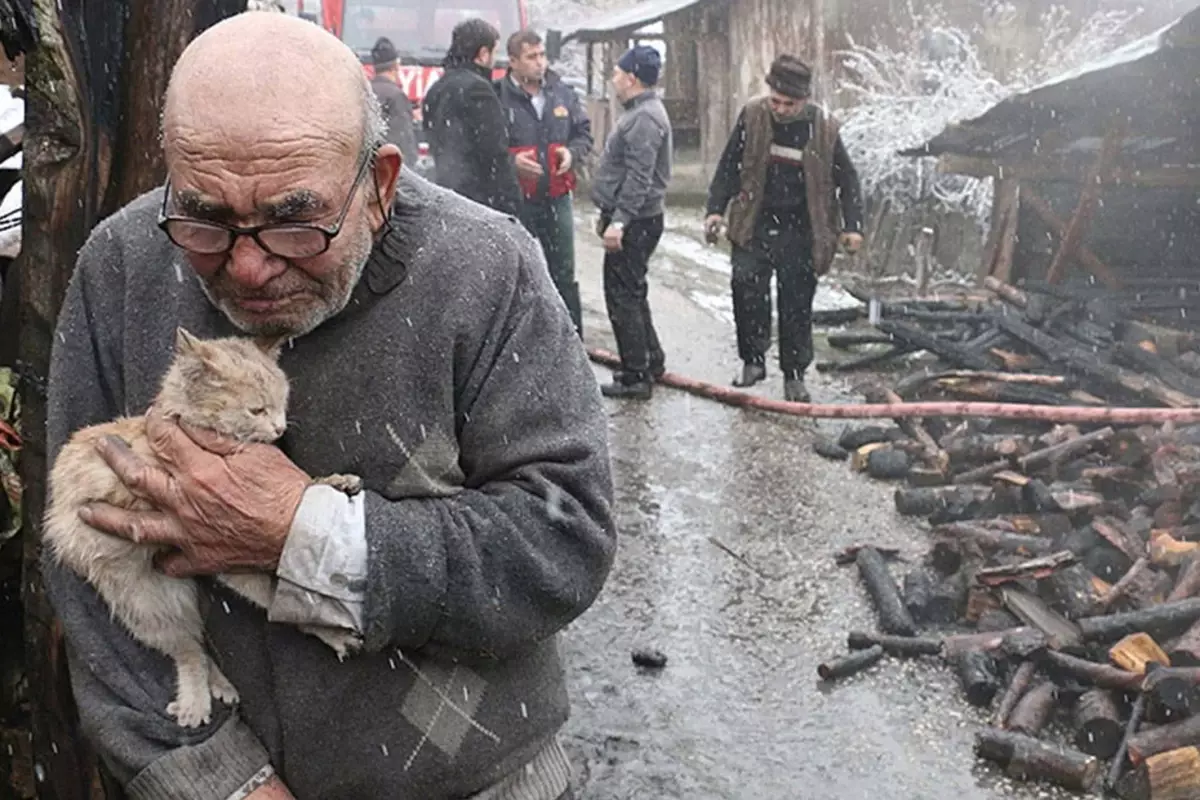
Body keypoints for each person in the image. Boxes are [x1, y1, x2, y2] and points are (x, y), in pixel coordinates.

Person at [42, 12, 614, 800]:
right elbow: (81, 565)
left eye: (292, 220)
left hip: (484, 781)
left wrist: (304, 535)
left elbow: (564, 541)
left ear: (378, 185)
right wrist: (218, 781)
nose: (246, 266)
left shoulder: (487, 269)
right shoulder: (123, 265)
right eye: (205, 217)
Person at [704, 54, 864, 402]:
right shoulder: (753, 116)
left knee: (796, 303)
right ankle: (753, 361)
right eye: (775, 100)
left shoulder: (824, 128)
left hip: (803, 230)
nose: (780, 109)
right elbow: (729, 165)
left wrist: (853, 226)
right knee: (745, 288)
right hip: (754, 223)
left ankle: (794, 375)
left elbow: (848, 181)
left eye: (789, 104)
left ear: (804, 100)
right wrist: (715, 210)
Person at [496, 29, 592, 336]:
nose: (540, 63)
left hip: (557, 196)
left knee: (563, 271)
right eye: (531, 57)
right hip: (516, 200)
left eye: (542, 55)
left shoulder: (561, 93)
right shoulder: (497, 96)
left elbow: (583, 134)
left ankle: (572, 338)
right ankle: (521, 340)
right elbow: (484, 149)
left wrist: (572, 153)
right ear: (512, 61)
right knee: (516, 273)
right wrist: (512, 163)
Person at [590, 45, 672, 400]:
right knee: (633, 291)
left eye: (618, 73)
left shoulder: (644, 119)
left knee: (622, 295)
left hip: (636, 220)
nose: (614, 79)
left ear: (632, 78)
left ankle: (636, 376)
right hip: (637, 217)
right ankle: (650, 359)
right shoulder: (642, 113)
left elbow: (640, 177)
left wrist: (619, 221)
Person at [421, 18, 520, 215]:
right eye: (494, 52)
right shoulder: (479, 90)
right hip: (479, 202)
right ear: (483, 54)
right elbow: (494, 153)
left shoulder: (436, 89)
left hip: (446, 196)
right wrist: (511, 201)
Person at [368, 36, 419, 167]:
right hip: (387, 169)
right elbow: (404, 141)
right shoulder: (397, 96)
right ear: (396, 66)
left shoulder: (365, 91)